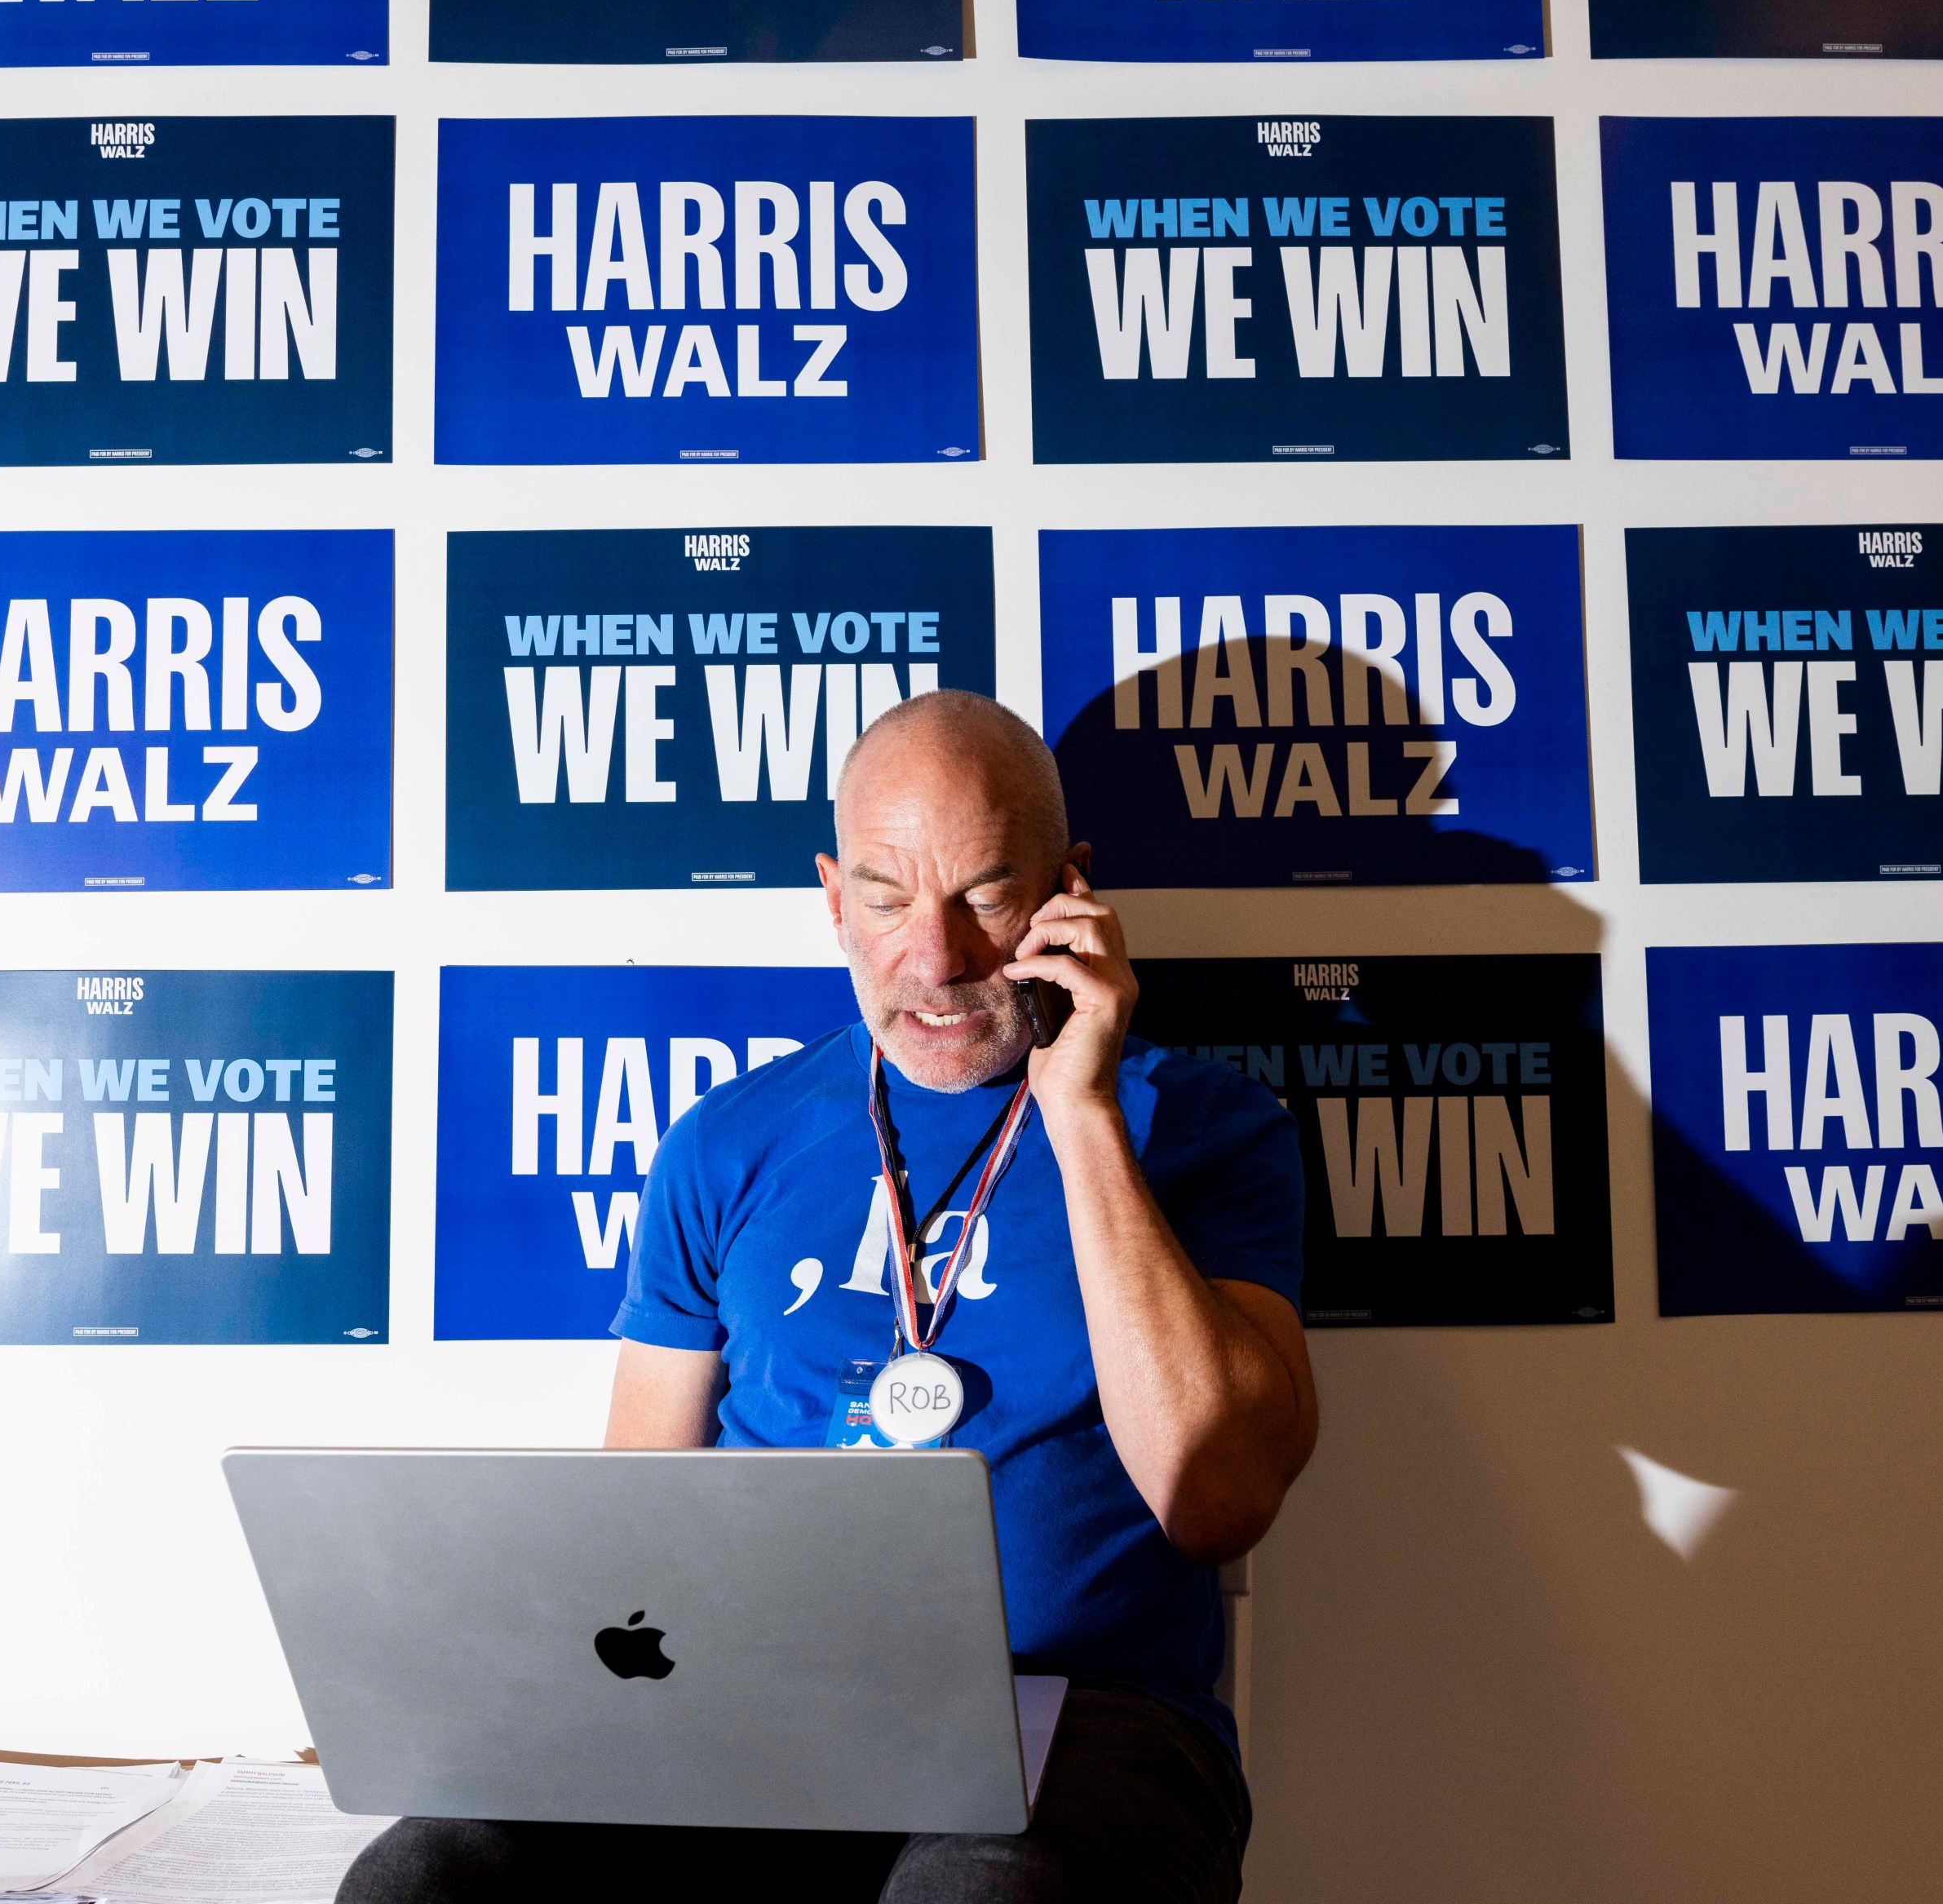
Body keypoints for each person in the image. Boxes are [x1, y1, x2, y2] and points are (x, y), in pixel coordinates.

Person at [345, 691, 1317, 1904]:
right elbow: (629, 1534)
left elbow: (1213, 1496)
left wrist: (1085, 1112)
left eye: (986, 892)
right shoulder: (728, 1142)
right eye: (886, 894)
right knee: (424, 1877)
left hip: (1083, 1718)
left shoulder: (1206, 1128)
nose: (936, 954)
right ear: (830, 897)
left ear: (1071, 890)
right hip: (755, 1714)